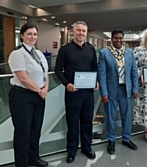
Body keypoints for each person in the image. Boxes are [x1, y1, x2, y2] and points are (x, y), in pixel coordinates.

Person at [55, 21, 98, 163]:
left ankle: (87, 147)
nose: (81, 33)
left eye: (83, 31)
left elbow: (94, 68)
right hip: (73, 93)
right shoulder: (65, 49)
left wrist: (96, 81)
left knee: (87, 121)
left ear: (86, 33)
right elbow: (58, 69)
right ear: (73, 32)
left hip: (88, 93)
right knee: (72, 123)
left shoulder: (91, 49)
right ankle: (71, 150)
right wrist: (66, 84)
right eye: (78, 30)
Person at [8, 23, 49, 167]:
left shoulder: (38, 53)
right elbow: (23, 78)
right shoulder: (17, 54)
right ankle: (22, 163)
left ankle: (34, 158)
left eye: (35, 34)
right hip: (22, 96)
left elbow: (46, 73)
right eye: (29, 34)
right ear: (22, 36)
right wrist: (39, 90)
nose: (33, 37)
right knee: (23, 133)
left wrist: (45, 89)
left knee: (35, 130)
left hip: (39, 96)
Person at [98, 29, 138, 154]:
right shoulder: (104, 53)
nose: (118, 40)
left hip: (126, 89)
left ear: (123, 38)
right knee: (110, 116)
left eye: (120, 38)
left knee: (127, 115)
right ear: (111, 39)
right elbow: (102, 75)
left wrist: (135, 89)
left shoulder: (129, 53)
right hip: (111, 90)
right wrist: (103, 93)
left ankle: (126, 138)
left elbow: (134, 73)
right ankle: (111, 139)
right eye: (116, 38)